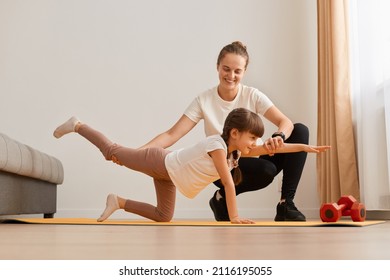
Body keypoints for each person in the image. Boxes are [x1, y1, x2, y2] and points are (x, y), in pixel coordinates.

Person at [53, 108, 329, 224]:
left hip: (169, 175)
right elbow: (229, 183)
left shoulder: (233, 152)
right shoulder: (218, 146)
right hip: (157, 160)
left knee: (164, 215)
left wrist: (304, 147)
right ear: (235, 133)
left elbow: (273, 147)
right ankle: (77, 125)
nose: (255, 143)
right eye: (252, 137)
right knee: (112, 152)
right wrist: (234, 218)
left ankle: (119, 201)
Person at [140, 41, 311, 222]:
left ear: (244, 72)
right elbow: (172, 134)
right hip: (223, 165)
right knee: (266, 169)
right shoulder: (204, 100)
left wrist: (279, 136)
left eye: (237, 71)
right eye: (226, 69)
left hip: (253, 154)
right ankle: (220, 198)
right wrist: (137, 153)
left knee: (300, 131)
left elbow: (286, 122)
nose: (231, 75)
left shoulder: (252, 95)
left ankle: (286, 204)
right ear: (217, 67)